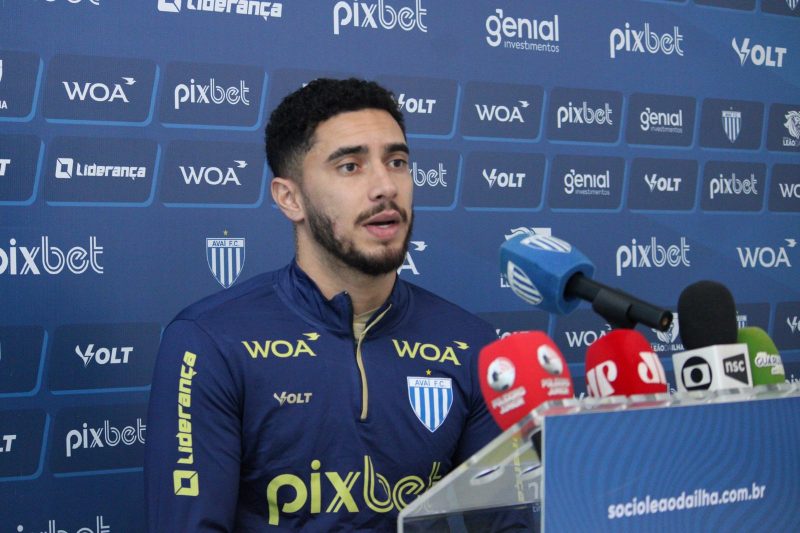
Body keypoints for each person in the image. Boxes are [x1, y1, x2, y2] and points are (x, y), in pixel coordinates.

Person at [145, 78, 508, 531]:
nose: (385, 187)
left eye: (396, 162)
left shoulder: (472, 344)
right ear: (289, 198)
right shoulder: (209, 342)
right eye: (350, 166)